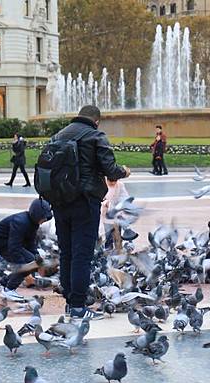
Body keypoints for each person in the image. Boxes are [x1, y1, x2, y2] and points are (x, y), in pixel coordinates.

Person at [51, 105, 130, 319]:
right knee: (82, 255)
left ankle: (70, 303)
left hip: (59, 201)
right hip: (85, 202)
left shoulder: (59, 135)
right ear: (97, 121)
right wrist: (124, 171)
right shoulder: (96, 136)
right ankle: (78, 307)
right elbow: (110, 169)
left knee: (66, 252)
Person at [0, 199, 53, 302]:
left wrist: (37, 257)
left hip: (8, 243)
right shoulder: (20, 222)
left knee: (34, 263)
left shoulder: (33, 223)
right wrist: (22, 264)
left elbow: (31, 243)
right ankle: (9, 289)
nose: (44, 220)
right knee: (29, 263)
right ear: (36, 215)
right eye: (43, 218)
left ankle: (2, 283)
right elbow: (14, 246)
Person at [101, 178, 129, 250]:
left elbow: (125, 198)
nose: (113, 183)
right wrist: (104, 203)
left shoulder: (120, 185)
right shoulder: (101, 184)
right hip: (104, 215)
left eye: (115, 180)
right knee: (107, 237)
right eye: (111, 180)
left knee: (117, 236)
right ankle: (107, 250)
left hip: (116, 216)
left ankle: (118, 251)